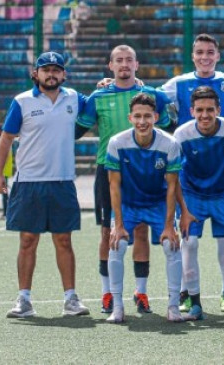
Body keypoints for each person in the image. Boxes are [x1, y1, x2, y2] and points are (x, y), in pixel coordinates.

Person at [77, 44, 174, 315]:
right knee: (109, 231)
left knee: (141, 228)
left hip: (145, 170)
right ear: (110, 66)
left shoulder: (151, 96)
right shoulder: (97, 96)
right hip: (108, 171)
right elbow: (75, 128)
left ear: (136, 65)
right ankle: (108, 292)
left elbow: (169, 123)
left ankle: (140, 292)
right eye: (118, 60)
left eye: (128, 60)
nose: (123, 64)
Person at [1, 51, 90, 318]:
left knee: (64, 240)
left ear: (64, 74)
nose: (51, 74)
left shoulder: (74, 98)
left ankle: (70, 299)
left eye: (56, 70)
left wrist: (104, 86)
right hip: (29, 182)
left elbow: (97, 103)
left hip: (62, 182)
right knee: (28, 240)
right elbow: (5, 139)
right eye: (46, 70)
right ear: (35, 74)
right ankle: (23, 300)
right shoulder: (22, 101)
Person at [172, 86, 224, 319]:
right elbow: (174, 174)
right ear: (191, 111)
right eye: (199, 110)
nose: (205, 115)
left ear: (218, 109)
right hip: (192, 196)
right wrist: (183, 210)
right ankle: (194, 302)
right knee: (190, 243)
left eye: (210, 109)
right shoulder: (182, 134)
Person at [104, 93, 183, 323]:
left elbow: (171, 187)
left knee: (171, 245)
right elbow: (114, 185)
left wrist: (169, 225)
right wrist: (118, 225)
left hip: (157, 203)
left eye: (147, 116)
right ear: (130, 117)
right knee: (116, 244)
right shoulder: (117, 143)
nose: (142, 121)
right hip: (128, 204)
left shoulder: (170, 144)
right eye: (137, 116)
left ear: (156, 117)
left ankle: (173, 306)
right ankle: (117, 307)